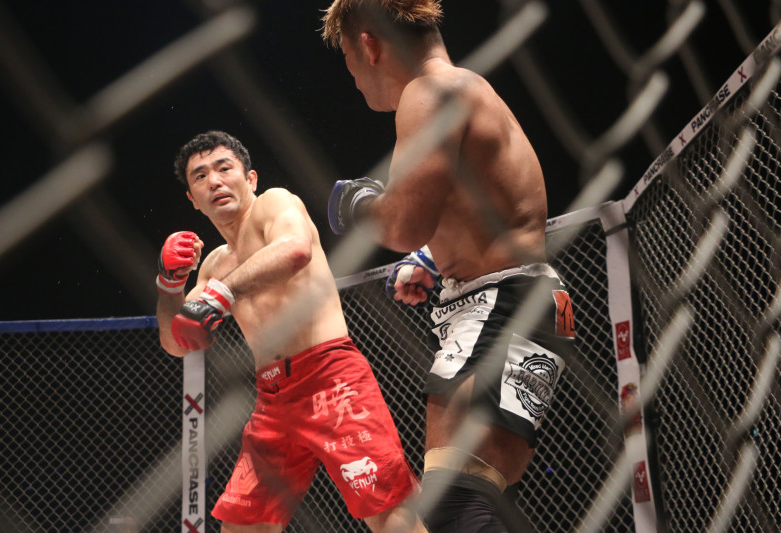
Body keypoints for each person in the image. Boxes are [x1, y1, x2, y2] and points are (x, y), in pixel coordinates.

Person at [321, 2, 576, 532]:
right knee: (467, 501)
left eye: (346, 59)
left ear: (369, 45)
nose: (352, 77)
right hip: (514, 303)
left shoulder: (428, 91)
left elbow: (402, 224)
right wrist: (432, 261)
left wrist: (359, 202)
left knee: (454, 506)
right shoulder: (464, 88)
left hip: (501, 307)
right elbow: (493, 203)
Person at [155, 130, 425, 533]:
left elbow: (295, 249)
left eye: (224, 168)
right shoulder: (213, 265)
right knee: (243, 525)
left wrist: (222, 293)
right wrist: (169, 286)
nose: (214, 181)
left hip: (331, 380)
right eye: (200, 176)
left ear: (250, 179)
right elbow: (177, 343)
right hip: (273, 400)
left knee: (387, 511)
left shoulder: (274, 205)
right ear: (193, 199)